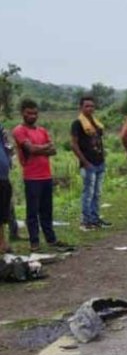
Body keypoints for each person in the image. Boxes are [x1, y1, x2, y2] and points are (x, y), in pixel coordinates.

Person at [12, 100, 71, 253]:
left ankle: (51, 239)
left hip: (46, 176)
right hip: (31, 177)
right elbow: (30, 149)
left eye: (35, 113)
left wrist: (40, 149)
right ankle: (34, 242)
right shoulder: (19, 130)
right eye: (29, 113)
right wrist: (43, 148)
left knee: (47, 211)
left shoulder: (42, 130)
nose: (32, 116)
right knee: (32, 212)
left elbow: (53, 150)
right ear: (22, 113)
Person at [70, 96, 110, 230]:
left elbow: (100, 136)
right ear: (81, 108)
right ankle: (86, 220)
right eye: (87, 106)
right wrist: (84, 162)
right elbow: (74, 144)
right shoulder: (77, 123)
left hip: (99, 161)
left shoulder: (95, 122)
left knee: (97, 193)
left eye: (92, 106)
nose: (90, 108)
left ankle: (95, 218)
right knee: (88, 193)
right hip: (88, 163)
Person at [0, 124, 13, 253]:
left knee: (3, 212)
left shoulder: (1, 128)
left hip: (3, 176)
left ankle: (2, 242)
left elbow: (8, 147)